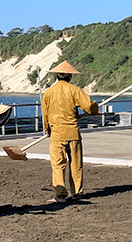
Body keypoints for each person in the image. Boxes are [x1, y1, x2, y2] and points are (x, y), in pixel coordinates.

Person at [41, 61, 99, 203]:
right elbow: (88, 106)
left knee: (58, 165)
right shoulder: (74, 90)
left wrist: (47, 130)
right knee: (76, 164)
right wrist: (94, 109)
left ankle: (60, 195)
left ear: (57, 76)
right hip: (72, 132)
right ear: (70, 77)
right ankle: (77, 193)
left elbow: (45, 115)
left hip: (57, 134)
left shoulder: (48, 93)